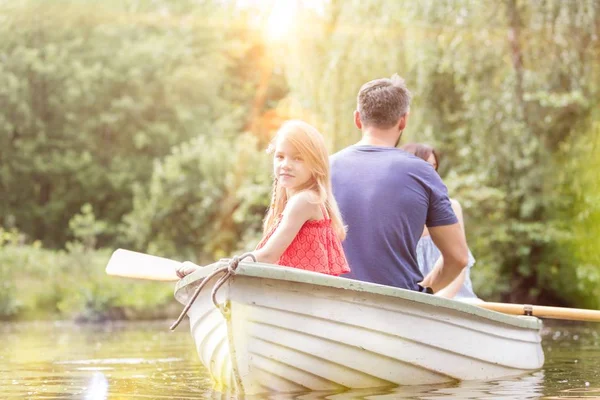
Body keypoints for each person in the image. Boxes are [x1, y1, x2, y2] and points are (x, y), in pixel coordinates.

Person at [330, 74, 468, 294]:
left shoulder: (324, 168)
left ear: (357, 118)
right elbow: (458, 258)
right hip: (398, 304)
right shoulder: (423, 173)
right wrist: (426, 291)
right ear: (403, 120)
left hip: (331, 299)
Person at [176, 120, 350, 278]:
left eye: (298, 158)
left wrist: (204, 272)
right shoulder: (303, 201)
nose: (286, 164)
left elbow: (267, 256)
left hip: (298, 301)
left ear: (316, 165)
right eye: (280, 156)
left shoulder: (304, 201)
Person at [400, 143, 478, 299]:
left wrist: (438, 301)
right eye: (425, 166)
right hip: (410, 300)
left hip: (452, 298)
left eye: (434, 167)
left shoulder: (451, 207)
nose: (432, 173)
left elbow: (459, 265)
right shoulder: (398, 211)